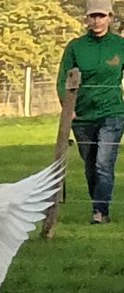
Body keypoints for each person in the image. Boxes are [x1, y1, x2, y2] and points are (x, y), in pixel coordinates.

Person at [60, 0, 124, 224]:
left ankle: (100, 212)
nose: (97, 21)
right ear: (86, 19)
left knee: (103, 163)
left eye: (101, 16)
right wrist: (68, 107)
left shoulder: (119, 45)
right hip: (83, 116)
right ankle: (98, 205)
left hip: (112, 113)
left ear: (110, 18)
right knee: (90, 165)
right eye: (93, 16)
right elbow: (62, 79)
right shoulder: (76, 47)